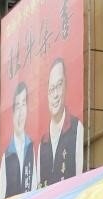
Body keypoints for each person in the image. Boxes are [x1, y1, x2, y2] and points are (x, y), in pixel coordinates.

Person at [37, 57, 84, 187]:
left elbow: (80, 179)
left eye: (59, 86)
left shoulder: (77, 128)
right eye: (51, 89)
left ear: (66, 86)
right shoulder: (43, 143)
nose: (55, 94)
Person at [0, 82, 37, 198]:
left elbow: (35, 187)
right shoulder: (6, 156)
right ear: (12, 113)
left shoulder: (31, 148)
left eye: (23, 104)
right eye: (17, 107)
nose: (20, 113)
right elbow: (2, 196)